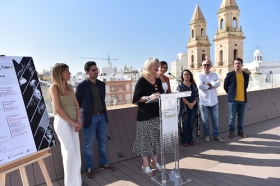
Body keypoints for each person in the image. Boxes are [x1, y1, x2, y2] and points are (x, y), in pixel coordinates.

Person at [75, 61, 114, 179]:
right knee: (88, 144)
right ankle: (89, 167)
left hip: (102, 116)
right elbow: (77, 103)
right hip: (89, 118)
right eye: (93, 70)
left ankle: (104, 164)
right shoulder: (81, 86)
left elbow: (102, 100)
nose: (96, 72)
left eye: (97, 69)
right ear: (87, 72)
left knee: (102, 142)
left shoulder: (102, 84)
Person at [49, 63, 82, 186]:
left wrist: (78, 120)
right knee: (69, 152)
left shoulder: (70, 87)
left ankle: (77, 182)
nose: (70, 73)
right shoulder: (54, 87)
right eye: (67, 71)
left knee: (76, 152)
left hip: (74, 122)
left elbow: (77, 105)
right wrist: (73, 122)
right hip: (63, 123)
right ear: (60, 73)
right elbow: (57, 109)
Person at [132, 58, 164, 176]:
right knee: (144, 141)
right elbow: (135, 99)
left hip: (156, 114)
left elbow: (162, 94)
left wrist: (160, 96)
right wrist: (148, 97)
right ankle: (145, 164)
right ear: (149, 66)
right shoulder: (142, 80)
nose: (157, 66)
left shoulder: (158, 81)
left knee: (156, 140)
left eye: (158, 64)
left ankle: (154, 161)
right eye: (155, 64)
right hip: (144, 115)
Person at [197, 59, 225, 143]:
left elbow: (218, 84)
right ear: (202, 66)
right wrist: (212, 85)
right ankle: (207, 136)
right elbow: (200, 86)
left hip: (213, 101)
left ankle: (216, 135)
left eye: (208, 65)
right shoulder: (199, 75)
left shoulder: (214, 74)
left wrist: (208, 84)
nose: (206, 66)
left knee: (215, 119)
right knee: (205, 120)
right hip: (203, 101)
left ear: (211, 66)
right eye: (204, 65)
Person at [224, 58, 250, 138]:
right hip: (233, 100)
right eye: (235, 63)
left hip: (242, 100)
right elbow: (225, 86)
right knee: (232, 117)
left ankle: (240, 131)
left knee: (241, 117)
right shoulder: (230, 75)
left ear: (241, 64)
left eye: (239, 63)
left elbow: (245, 86)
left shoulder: (246, 75)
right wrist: (231, 93)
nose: (237, 65)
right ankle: (231, 132)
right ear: (234, 65)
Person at [177, 69, 199, 147]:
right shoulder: (180, 86)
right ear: (182, 76)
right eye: (185, 74)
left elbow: (196, 96)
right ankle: (185, 140)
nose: (186, 76)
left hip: (193, 107)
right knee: (185, 124)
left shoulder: (193, 85)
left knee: (191, 124)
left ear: (190, 76)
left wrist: (192, 104)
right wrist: (188, 104)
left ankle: (190, 139)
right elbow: (181, 97)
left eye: (188, 74)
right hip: (184, 109)